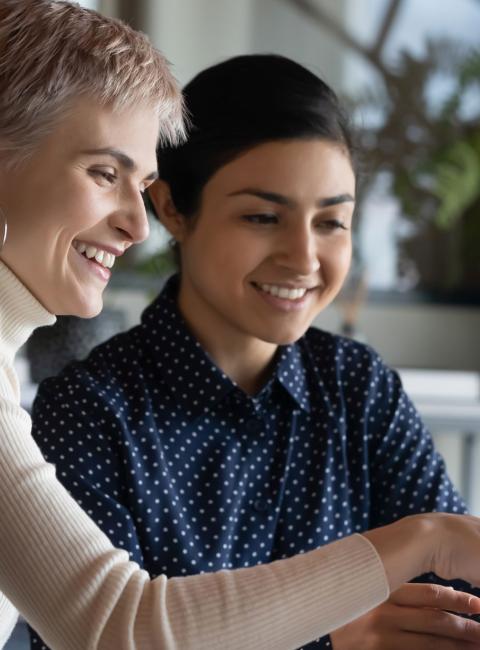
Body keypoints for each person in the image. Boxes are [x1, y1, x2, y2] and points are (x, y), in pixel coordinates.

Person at [27, 51, 480, 650]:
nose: (304, 258)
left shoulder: (358, 387)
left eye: (332, 222)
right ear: (170, 208)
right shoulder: (90, 414)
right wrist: (331, 641)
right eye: (263, 217)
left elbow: (455, 608)